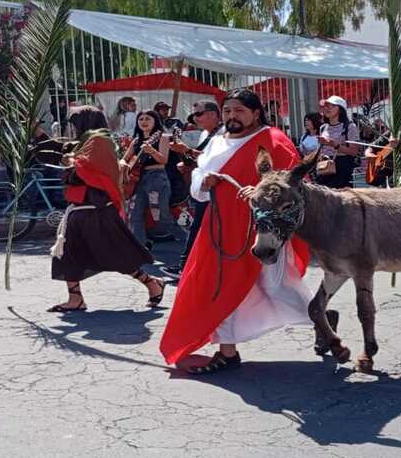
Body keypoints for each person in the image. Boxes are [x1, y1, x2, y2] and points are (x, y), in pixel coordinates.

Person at [160, 89, 310, 374]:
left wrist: (263, 190)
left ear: (256, 113)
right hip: (220, 226)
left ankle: (321, 318)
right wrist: (203, 184)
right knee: (218, 287)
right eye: (227, 110)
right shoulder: (217, 141)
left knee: (275, 285)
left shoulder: (274, 140)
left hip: (263, 230)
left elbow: (293, 185)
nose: (232, 116)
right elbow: (197, 178)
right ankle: (227, 352)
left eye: (239, 110)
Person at [48, 106, 165, 312]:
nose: (73, 127)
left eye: (75, 122)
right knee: (67, 252)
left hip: (97, 208)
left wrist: (72, 165)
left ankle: (152, 283)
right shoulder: (87, 141)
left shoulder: (99, 140)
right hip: (80, 208)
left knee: (115, 253)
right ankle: (75, 299)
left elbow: (92, 174)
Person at [163, 100, 222, 277]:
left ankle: (186, 266)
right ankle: (187, 265)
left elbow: (212, 160)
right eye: (193, 115)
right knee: (198, 228)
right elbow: (202, 159)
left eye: (198, 114)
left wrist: (186, 150)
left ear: (213, 114)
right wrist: (187, 160)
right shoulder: (205, 134)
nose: (195, 119)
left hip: (216, 191)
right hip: (204, 190)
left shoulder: (223, 135)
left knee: (200, 229)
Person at [121, 109, 178, 247]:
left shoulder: (162, 137)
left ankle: (176, 233)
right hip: (137, 179)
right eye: (141, 119)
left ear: (155, 121)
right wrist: (123, 165)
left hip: (156, 177)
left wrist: (151, 151)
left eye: (148, 119)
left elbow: (163, 160)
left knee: (160, 212)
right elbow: (124, 159)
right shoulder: (136, 141)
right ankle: (140, 245)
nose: (144, 122)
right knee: (133, 212)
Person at [315, 95, 361, 189]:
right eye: (326, 106)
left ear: (340, 109)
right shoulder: (323, 127)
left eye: (331, 106)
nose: (327, 108)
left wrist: (334, 145)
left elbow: (354, 151)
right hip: (324, 166)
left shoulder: (350, 127)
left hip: (342, 167)